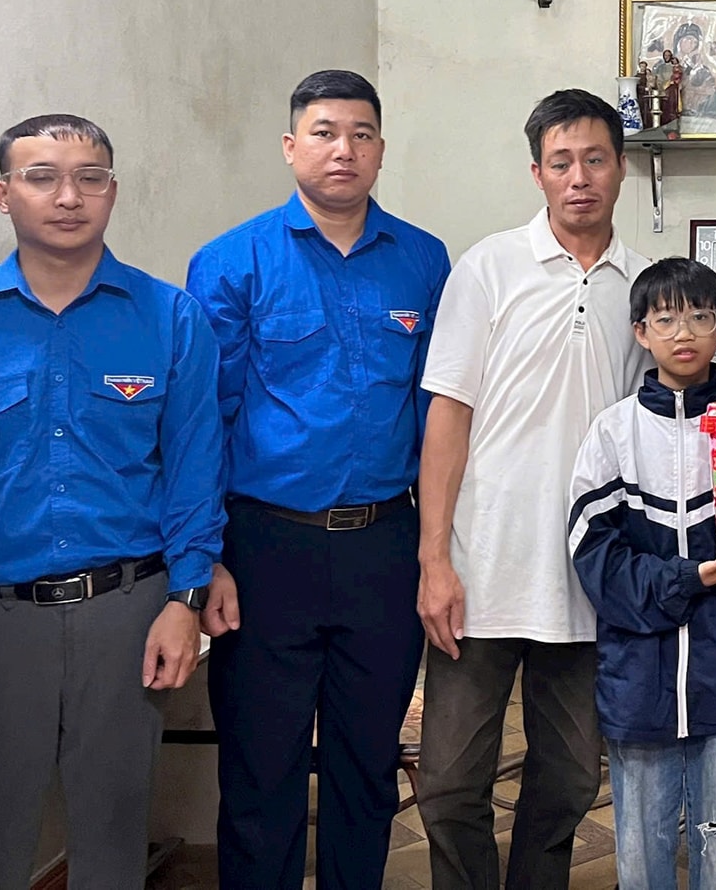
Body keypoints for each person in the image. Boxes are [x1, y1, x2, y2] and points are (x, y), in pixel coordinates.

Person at [0, 114, 225, 890]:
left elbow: (194, 469)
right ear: (2, 194)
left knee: (113, 838)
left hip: (128, 611)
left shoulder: (170, 317)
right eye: (42, 177)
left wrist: (186, 600)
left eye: (89, 178)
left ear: (112, 191)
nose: (68, 196)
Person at [187, 70, 450, 890]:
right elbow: (203, 422)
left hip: (384, 545)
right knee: (260, 767)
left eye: (361, 134)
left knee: (365, 765)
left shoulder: (423, 260)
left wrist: (437, 551)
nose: (344, 150)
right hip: (266, 547)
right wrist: (206, 561)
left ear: (381, 149)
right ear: (290, 145)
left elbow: (438, 414)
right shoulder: (231, 262)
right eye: (326, 132)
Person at [415, 89, 652, 890]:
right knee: (449, 780)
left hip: (589, 574)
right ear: (537, 173)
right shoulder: (488, 267)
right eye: (561, 162)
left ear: (620, 168)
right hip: (482, 569)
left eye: (595, 160)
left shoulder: (643, 288)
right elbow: (448, 417)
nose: (579, 178)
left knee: (573, 777)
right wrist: (434, 560)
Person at [567, 258, 716, 890]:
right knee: (641, 857)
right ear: (640, 332)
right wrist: (692, 577)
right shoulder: (613, 433)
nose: (684, 333)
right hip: (637, 680)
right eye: (666, 319)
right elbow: (599, 564)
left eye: (701, 316)